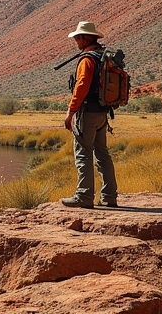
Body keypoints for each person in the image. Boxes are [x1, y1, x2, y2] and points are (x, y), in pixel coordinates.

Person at [60, 21, 118, 209]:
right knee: (102, 154)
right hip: (102, 112)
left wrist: (71, 111)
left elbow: (82, 85)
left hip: (87, 113)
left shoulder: (87, 59)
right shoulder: (102, 56)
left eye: (78, 37)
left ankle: (84, 196)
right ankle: (109, 197)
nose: (76, 40)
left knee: (83, 154)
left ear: (86, 38)